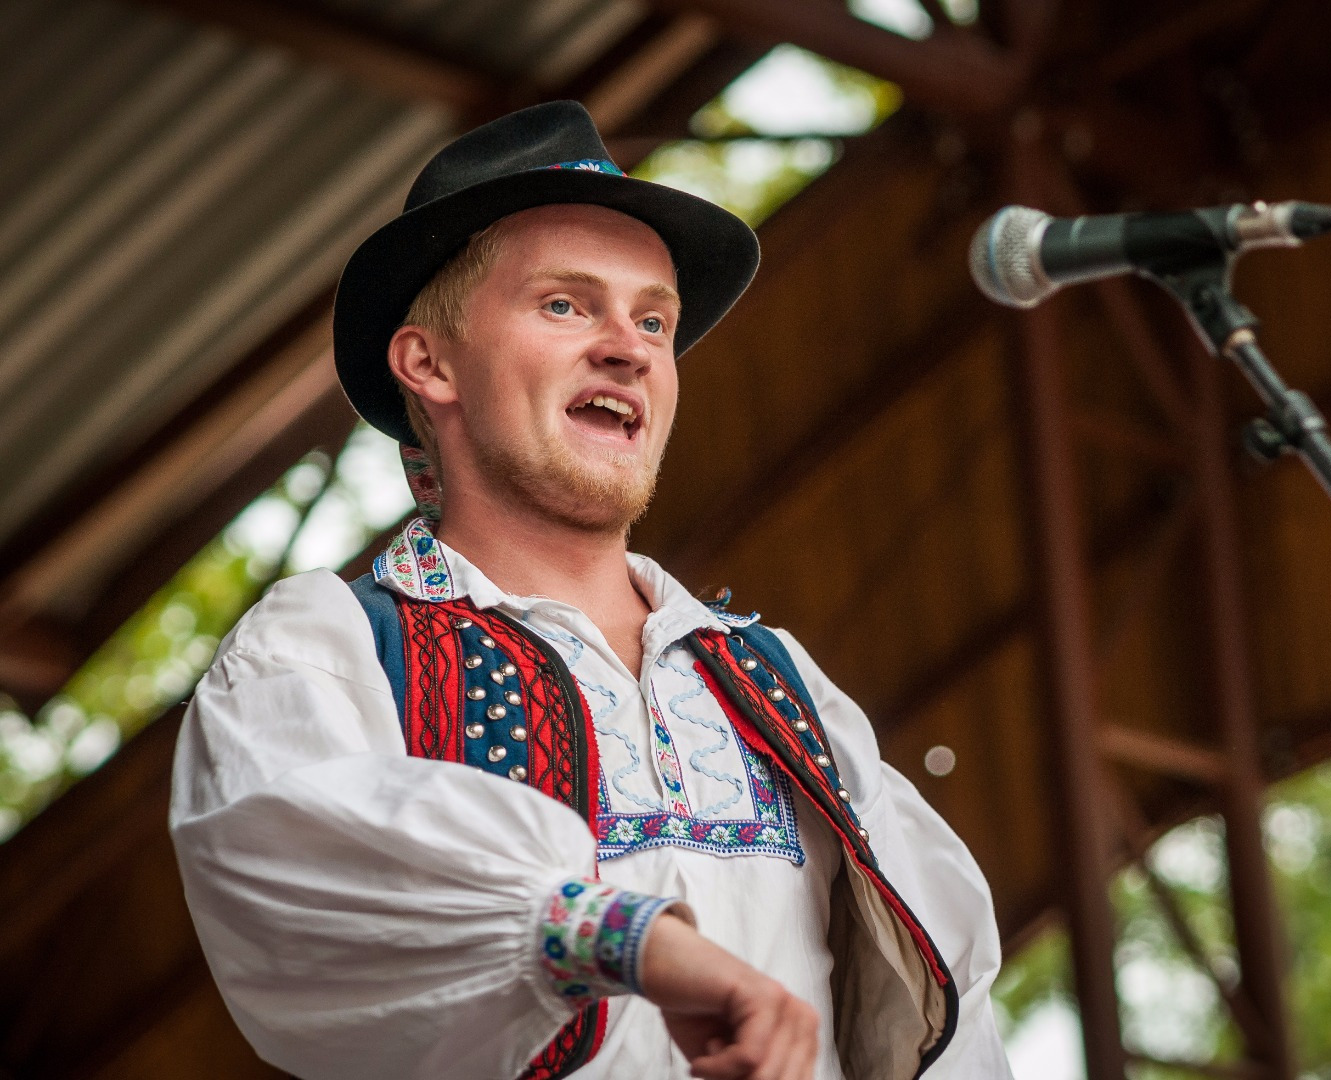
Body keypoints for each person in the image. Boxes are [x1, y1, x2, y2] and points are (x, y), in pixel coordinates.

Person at [170, 100, 1012, 1080]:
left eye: (654, 319)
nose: (631, 347)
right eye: (566, 305)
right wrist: (632, 941)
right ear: (428, 362)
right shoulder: (328, 647)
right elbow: (305, 875)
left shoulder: (782, 683)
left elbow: (955, 1025)